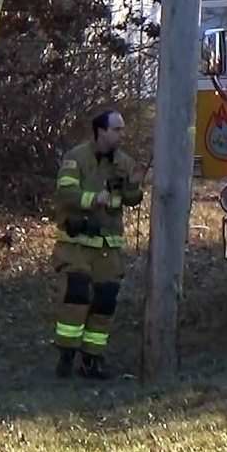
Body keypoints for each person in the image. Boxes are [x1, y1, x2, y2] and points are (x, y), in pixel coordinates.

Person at [51, 109, 145, 379]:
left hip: (108, 248)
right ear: (100, 131)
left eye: (123, 130)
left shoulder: (124, 162)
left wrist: (135, 186)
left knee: (105, 301)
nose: (121, 135)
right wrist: (94, 199)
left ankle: (92, 360)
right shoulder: (76, 158)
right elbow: (66, 193)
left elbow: (131, 199)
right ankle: (67, 355)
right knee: (76, 296)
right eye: (116, 130)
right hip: (77, 245)